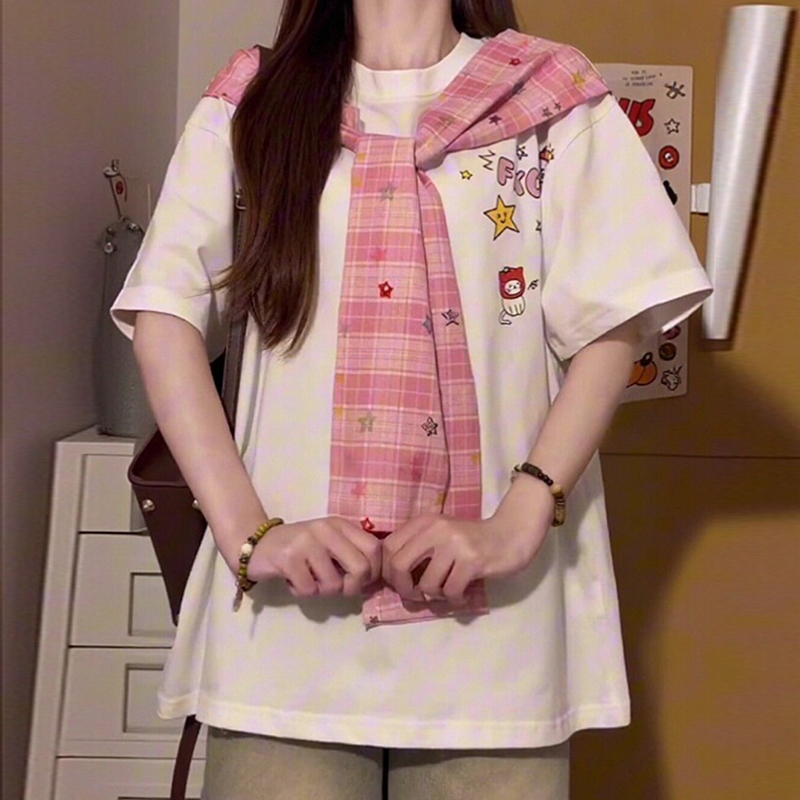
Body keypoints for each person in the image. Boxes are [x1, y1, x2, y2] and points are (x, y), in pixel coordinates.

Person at [111, 0, 712, 797]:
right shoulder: (253, 101)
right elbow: (165, 316)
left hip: (497, 639)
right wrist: (248, 534)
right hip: (290, 637)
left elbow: (613, 324)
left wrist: (520, 518)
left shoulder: (550, 95)